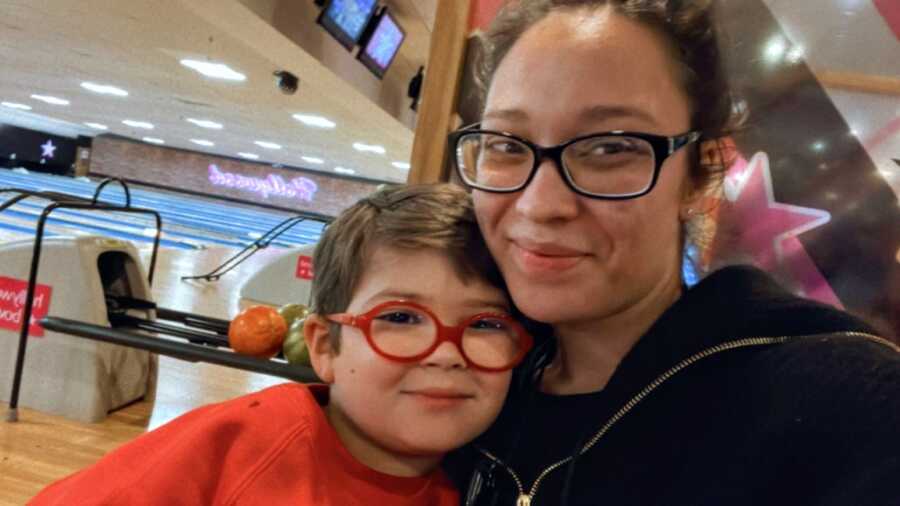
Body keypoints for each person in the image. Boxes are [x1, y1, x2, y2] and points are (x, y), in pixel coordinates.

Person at [443, 1, 900, 505]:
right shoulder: (459, 384)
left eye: (610, 148)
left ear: (700, 175)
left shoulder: (842, 407)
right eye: (507, 144)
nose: (541, 204)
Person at [30, 184, 534, 505]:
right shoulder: (232, 447)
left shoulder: (483, 485)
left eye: (486, 324)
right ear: (325, 346)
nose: (445, 352)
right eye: (399, 317)